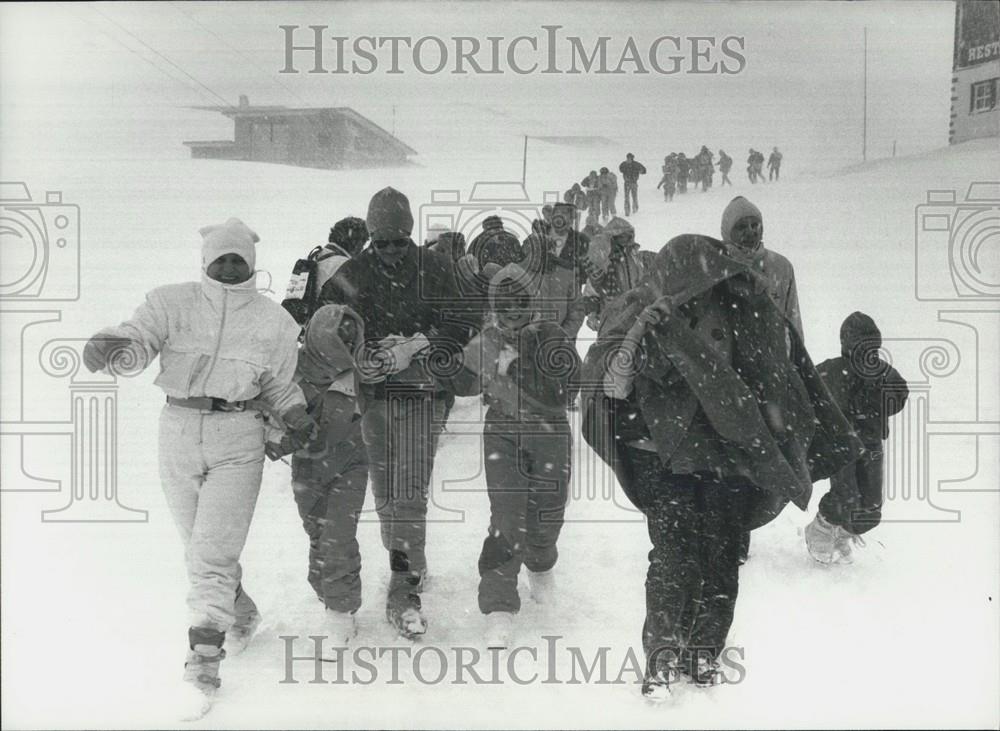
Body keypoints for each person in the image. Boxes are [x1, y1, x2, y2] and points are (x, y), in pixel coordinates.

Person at [581, 197, 861, 701]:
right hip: (664, 457)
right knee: (673, 552)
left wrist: (771, 431)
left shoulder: (743, 307)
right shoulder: (641, 314)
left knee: (720, 555)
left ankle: (704, 649)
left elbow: (775, 371)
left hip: (727, 459)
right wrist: (634, 345)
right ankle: (663, 653)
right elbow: (608, 382)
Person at [82, 218, 316, 720]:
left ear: (251, 267)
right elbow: (139, 339)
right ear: (205, 261)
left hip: (239, 437)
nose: (229, 267)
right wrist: (115, 349)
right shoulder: (171, 302)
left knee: (211, 551)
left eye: (239, 261)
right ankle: (241, 612)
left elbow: (278, 384)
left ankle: (204, 660)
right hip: (178, 430)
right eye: (221, 259)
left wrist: (294, 414)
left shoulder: (275, 322)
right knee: (198, 547)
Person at [319, 187, 476, 639]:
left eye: (398, 242)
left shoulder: (436, 267)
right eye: (381, 242)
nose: (389, 251)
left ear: (410, 235)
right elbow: (324, 323)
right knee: (385, 491)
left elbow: (462, 319)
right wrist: (358, 350)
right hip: (372, 398)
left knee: (409, 492)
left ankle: (404, 586)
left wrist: (421, 344)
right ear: (370, 237)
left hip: (422, 393)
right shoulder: (352, 273)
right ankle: (406, 560)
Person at [446, 264, 579, 649]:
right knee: (506, 519)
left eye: (520, 301)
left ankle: (541, 565)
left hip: (551, 433)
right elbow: (461, 385)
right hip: (503, 432)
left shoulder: (552, 334)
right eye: (503, 305)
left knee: (548, 513)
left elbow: (570, 387)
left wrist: (521, 363)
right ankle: (499, 606)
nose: (513, 311)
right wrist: (468, 360)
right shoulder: (487, 340)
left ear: (532, 301)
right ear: (494, 307)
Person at [265, 304, 369, 648]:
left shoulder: (361, 370)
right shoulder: (286, 371)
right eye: (337, 342)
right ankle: (330, 593)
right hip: (308, 467)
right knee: (318, 534)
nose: (345, 348)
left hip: (352, 460)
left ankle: (341, 612)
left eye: (349, 342)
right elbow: (266, 420)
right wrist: (280, 439)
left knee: (339, 535)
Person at [805, 312, 909, 564]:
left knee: (872, 509)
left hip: (872, 445)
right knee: (846, 497)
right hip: (841, 447)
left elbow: (900, 396)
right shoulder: (831, 369)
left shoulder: (884, 373)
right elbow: (806, 395)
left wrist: (874, 407)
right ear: (846, 343)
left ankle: (843, 532)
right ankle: (821, 528)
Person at [281, 216, 369, 327]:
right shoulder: (345, 265)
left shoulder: (314, 257)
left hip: (306, 330)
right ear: (357, 244)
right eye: (362, 244)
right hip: (329, 330)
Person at [618, 152, 647, 216]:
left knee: (634, 197)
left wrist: (640, 171)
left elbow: (644, 170)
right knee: (627, 197)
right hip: (627, 183)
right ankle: (627, 211)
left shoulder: (636, 164)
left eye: (630, 158)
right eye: (628, 158)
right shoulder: (624, 164)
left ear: (632, 158)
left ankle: (635, 209)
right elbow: (620, 169)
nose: (628, 159)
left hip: (633, 182)